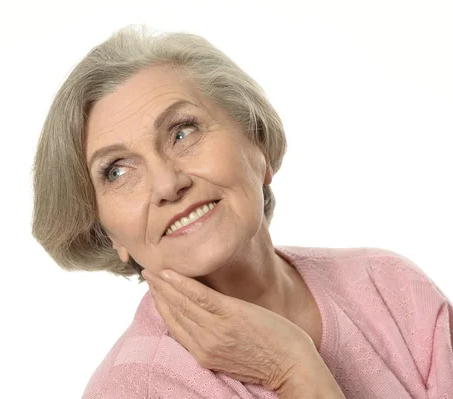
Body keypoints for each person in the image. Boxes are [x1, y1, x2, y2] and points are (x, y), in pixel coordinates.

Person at [31, 25, 453, 398]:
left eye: (182, 131)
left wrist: (296, 368)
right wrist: (289, 372)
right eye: (117, 171)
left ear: (257, 144)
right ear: (109, 234)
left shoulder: (390, 286)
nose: (167, 183)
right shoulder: (134, 389)